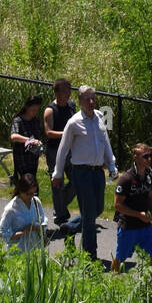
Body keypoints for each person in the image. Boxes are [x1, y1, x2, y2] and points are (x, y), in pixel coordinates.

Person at [52, 85, 117, 261]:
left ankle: (71, 227)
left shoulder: (100, 116)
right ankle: (90, 256)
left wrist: (111, 165)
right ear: (79, 101)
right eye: (87, 99)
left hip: (97, 172)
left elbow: (105, 142)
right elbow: (63, 149)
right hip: (81, 173)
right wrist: (58, 173)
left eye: (93, 98)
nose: (91, 102)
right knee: (89, 217)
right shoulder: (73, 123)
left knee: (98, 209)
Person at [111, 142, 152, 283]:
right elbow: (118, 205)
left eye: (150, 155)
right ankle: (112, 285)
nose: (149, 159)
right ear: (136, 157)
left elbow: (150, 196)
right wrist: (138, 215)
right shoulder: (126, 179)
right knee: (120, 258)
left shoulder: (148, 175)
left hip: (145, 227)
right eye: (145, 156)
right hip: (128, 228)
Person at [44, 78, 77, 225]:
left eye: (69, 90)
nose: (68, 93)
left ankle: (60, 205)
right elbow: (49, 132)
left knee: (77, 179)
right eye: (65, 90)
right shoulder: (50, 110)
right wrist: (67, 133)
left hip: (70, 150)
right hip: (54, 150)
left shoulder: (71, 106)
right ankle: (61, 214)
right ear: (57, 93)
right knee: (57, 182)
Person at [0, 173, 49, 253]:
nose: (31, 196)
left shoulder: (36, 201)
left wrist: (38, 227)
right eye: (28, 193)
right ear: (20, 191)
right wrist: (23, 233)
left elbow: (43, 220)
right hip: (19, 252)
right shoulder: (11, 209)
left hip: (36, 249)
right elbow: (2, 232)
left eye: (34, 193)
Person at [10, 95, 44, 183]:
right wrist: (31, 141)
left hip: (33, 158)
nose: (35, 112)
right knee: (27, 184)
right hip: (22, 158)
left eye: (37, 110)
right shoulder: (18, 120)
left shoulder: (36, 121)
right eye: (33, 110)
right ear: (26, 107)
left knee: (32, 184)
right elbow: (14, 136)